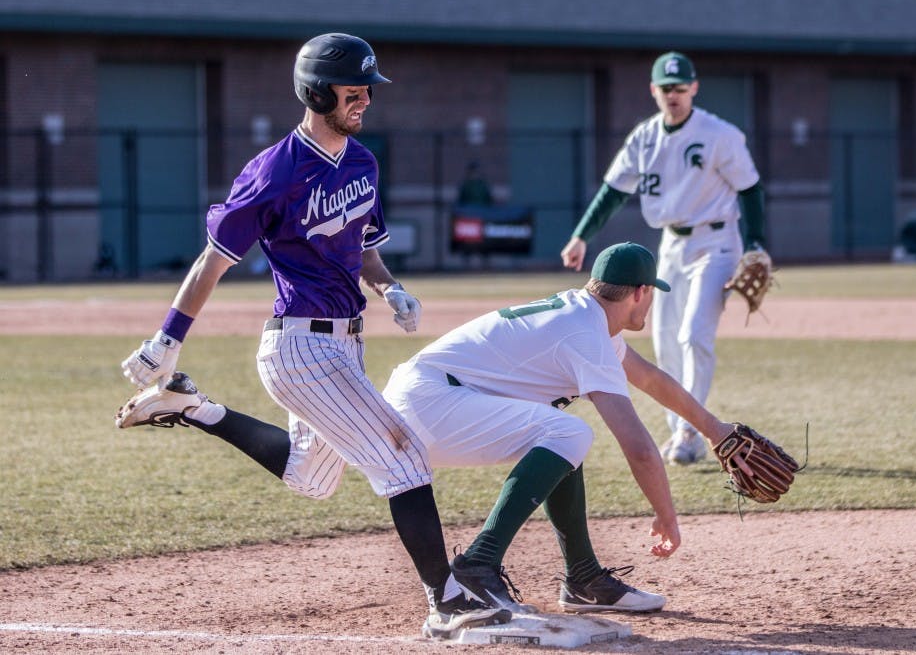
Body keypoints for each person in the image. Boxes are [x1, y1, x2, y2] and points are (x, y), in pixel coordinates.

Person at [115, 32, 509, 639]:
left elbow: (364, 252)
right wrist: (167, 338)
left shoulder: (362, 162)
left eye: (369, 91)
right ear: (317, 91)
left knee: (311, 477)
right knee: (403, 457)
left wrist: (390, 288)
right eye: (356, 91)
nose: (367, 101)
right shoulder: (274, 170)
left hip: (344, 345)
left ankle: (191, 407)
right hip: (300, 348)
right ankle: (446, 599)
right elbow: (211, 262)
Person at [121, 242, 746, 616]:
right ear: (637, 294)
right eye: (650, 295)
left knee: (312, 473)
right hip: (431, 403)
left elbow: (653, 381)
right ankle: (477, 567)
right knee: (566, 435)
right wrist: (668, 517)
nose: (650, 303)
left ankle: (581, 578)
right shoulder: (587, 332)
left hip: (426, 396)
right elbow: (638, 443)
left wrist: (717, 431)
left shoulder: (590, 321)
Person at [560, 52, 768, 466]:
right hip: (671, 243)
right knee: (666, 340)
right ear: (654, 91)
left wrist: (756, 243)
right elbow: (614, 190)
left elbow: (750, 188)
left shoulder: (719, 134)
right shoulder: (645, 138)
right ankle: (681, 432)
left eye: (680, 88)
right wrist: (582, 234)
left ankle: (690, 433)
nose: (673, 95)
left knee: (694, 334)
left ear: (694, 88)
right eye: (666, 88)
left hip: (717, 242)